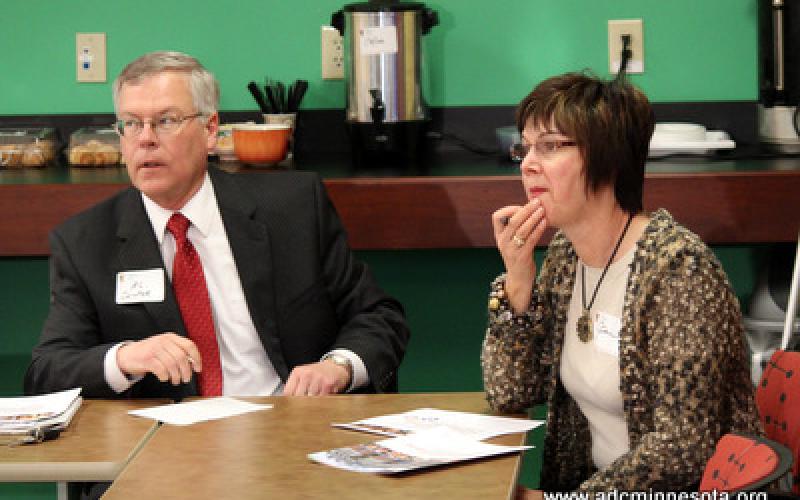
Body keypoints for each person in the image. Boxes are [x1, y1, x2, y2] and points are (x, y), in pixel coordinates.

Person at [25, 51, 409, 401]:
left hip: (286, 432)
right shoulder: (85, 241)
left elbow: (378, 317)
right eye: (131, 124)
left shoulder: (292, 209)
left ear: (210, 130)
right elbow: (47, 370)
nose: (145, 139)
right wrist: (124, 357)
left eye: (166, 121)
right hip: (164, 450)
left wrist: (337, 367)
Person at [481, 72, 761, 493]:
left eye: (551, 146)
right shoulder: (563, 258)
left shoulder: (677, 270)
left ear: (608, 158)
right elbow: (509, 391)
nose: (528, 163)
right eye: (526, 146)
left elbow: (683, 451)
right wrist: (518, 284)